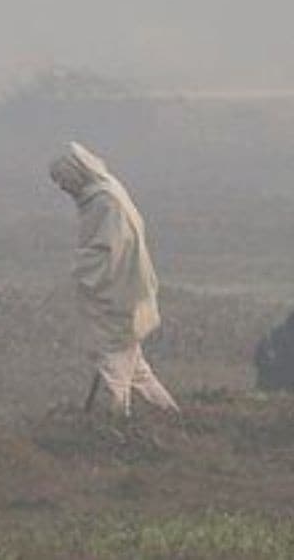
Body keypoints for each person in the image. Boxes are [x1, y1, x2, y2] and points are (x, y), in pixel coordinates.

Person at [48, 142, 180, 417]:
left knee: (114, 366)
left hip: (118, 297)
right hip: (125, 292)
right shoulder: (104, 193)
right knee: (136, 369)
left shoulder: (105, 201)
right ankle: (171, 415)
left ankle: (115, 423)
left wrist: (82, 267)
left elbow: (108, 250)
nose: (62, 188)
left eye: (63, 181)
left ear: (75, 173)